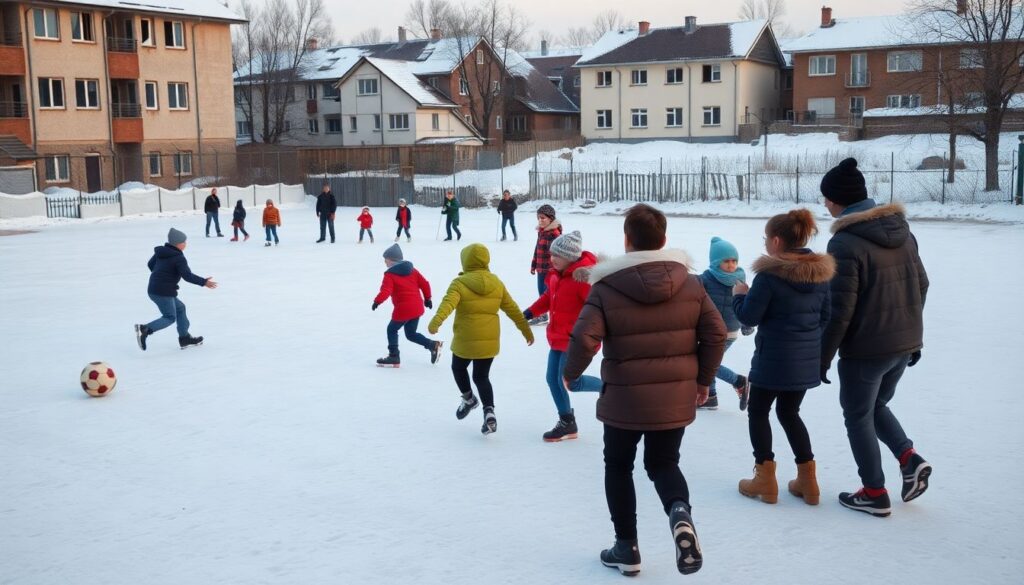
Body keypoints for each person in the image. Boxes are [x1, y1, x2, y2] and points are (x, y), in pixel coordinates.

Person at [563, 204, 726, 577]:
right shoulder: (690, 282)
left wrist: (571, 373)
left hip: (624, 398)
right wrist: (703, 380)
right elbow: (716, 333)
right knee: (663, 463)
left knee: (618, 466)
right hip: (674, 397)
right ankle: (679, 511)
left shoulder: (605, 287)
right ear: (663, 240)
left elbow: (586, 338)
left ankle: (626, 546)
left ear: (627, 240)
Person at [820, 157, 931, 518]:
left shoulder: (844, 243)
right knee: (874, 407)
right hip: (904, 343)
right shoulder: (902, 230)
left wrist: (821, 359)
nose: (824, 205)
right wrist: (912, 334)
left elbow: (840, 311)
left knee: (857, 416)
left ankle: (874, 492)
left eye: (826, 198)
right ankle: (908, 457)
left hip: (867, 349)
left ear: (838, 201)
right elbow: (922, 284)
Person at [731, 210, 835, 507]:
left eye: (766, 239)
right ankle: (808, 481)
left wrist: (740, 295)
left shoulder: (769, 276)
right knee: (790, 413)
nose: (765, 244)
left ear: (776, 241)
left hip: (772, 359)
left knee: (758, 411)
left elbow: (749, 317)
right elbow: (825, 317)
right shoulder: (820, 274)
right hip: (804, 361)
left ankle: (765, 479)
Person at [428, 243, 534, 435]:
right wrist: (526, 330)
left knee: (458, 368)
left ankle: (469, 399)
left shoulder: (459, 283)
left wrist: (435, 323)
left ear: (465, 261)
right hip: (489, 340)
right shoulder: (496, 283)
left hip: (465, 339)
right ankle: (489, 412)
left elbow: (447, 305)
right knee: (481, 376)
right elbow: (513, 310)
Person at [523, 230, 601, 442]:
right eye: (551, 255)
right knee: (553, 379)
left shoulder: (583, 280)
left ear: (570, 256)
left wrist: (594, 336)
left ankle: (608, 387)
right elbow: (548, 298)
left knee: (570, 382)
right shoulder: (557, 276)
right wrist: (530, 312)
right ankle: (567, 422)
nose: (552, 259)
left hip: (576, 341)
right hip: (557, 338)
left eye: (556, 255)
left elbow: (597, 310)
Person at [135, 228, 218, 351]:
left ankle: (184, 338)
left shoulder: (161, 252)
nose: (186, 244)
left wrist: (162, 275)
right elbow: (187, 276)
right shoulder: (178, 257)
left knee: (180, 308)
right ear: (178, 243)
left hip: (155, 288)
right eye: (184, 242)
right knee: (169, 317)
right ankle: (145, 329)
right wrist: (204, 282)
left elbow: (150, 264)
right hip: (163, 292)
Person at [699, 237, 753, 411]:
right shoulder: (705, 279)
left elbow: (746, 303)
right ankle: (710, 397)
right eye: (726, 261)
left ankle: (738, 381)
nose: (731, 265)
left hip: (728, 332)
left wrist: (747, 324)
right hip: (710, 329)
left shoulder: (740, 281)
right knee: (708, 360)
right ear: (715, 262)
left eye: (734, 261)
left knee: (708, 362)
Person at [372, 244, 442, 367]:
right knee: (411, 334)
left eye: (386, 259)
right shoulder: (412, 270)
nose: (384, 262)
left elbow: (386, 291)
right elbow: (425, 284)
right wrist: (428, 299)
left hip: (404, 309)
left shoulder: (390, 274)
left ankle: (394, 356)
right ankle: (433, 345)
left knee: (392, 329)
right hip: (417, 307)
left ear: (392, 260)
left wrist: (377, 301)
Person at [528, 204, 562, 325]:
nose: (540, 220)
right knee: (541, 294)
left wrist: (555, 271)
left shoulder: (554, 234)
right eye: (538, 218)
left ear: (550, 219)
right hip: (540, 269)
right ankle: (543, 315)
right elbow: (537, 250)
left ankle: (555, 316)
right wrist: (533, 265)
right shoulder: (542, 232)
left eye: (543, 218)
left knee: (548, 295)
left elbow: (558, 255)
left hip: (549, 271)